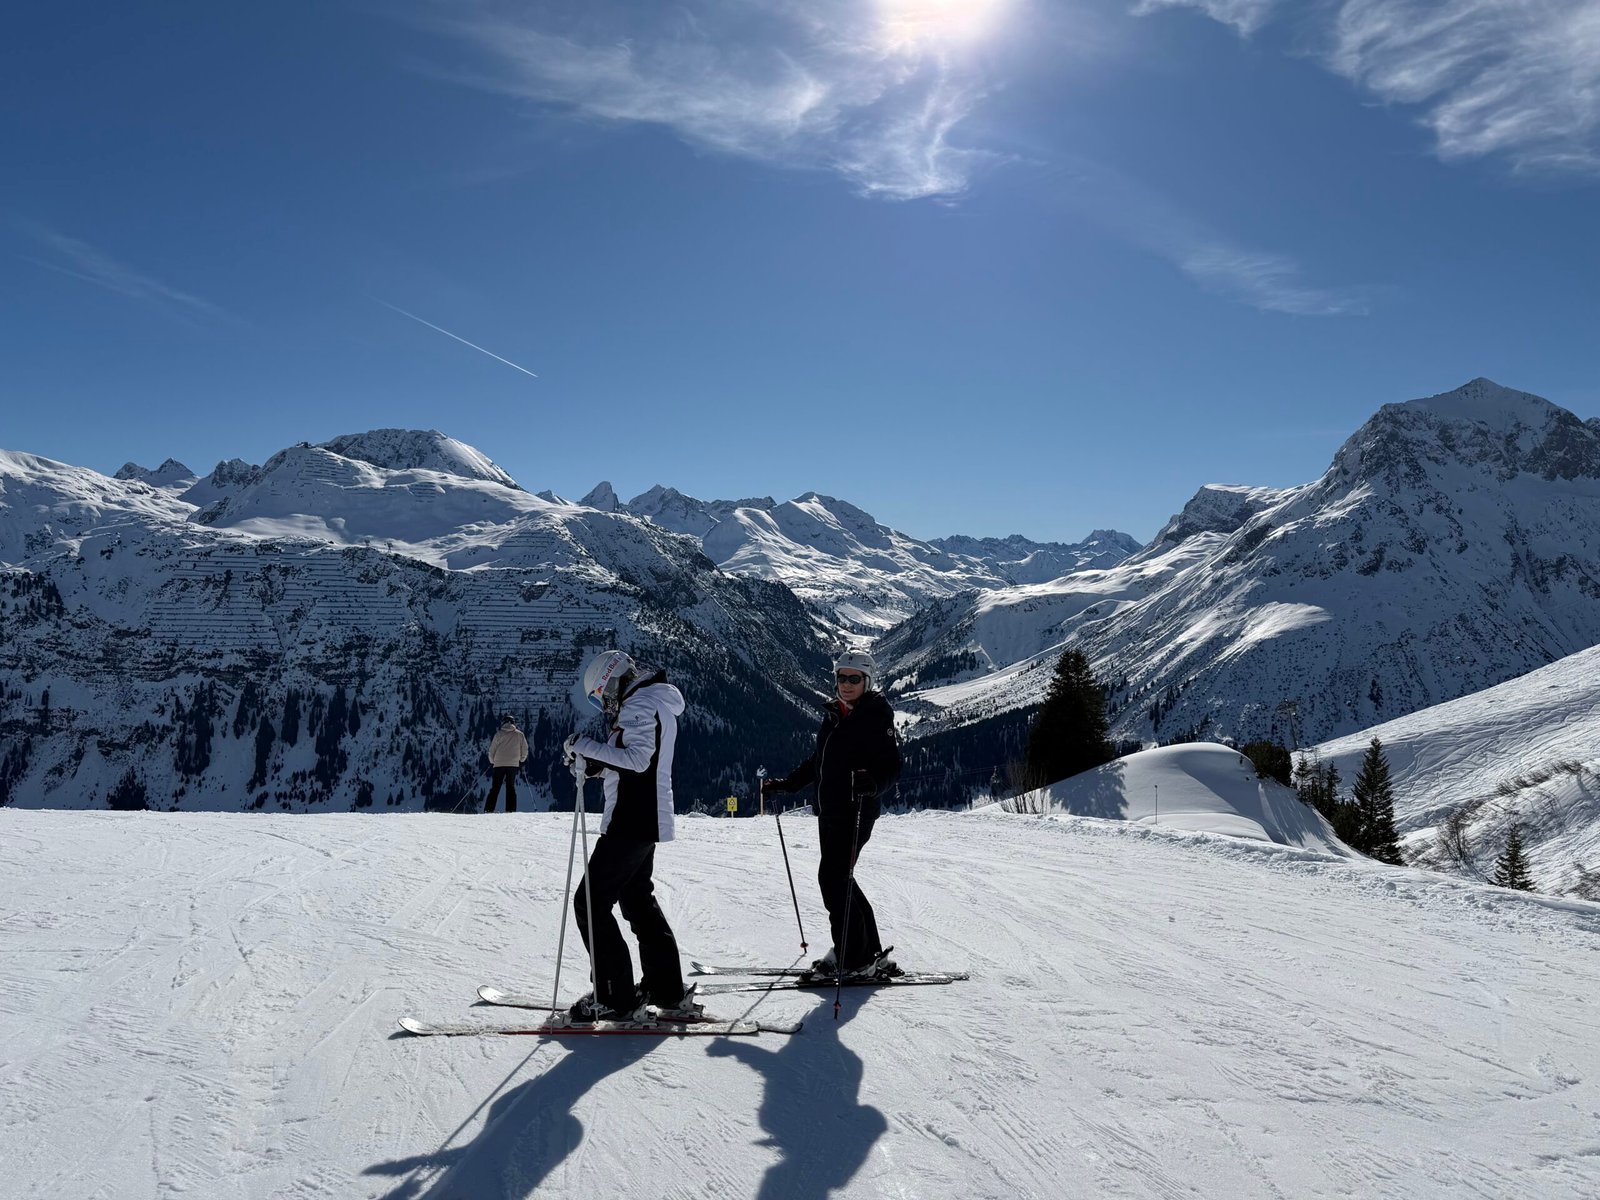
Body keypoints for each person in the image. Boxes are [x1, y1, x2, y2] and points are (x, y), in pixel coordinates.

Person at [560, 650, 697, 1023]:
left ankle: (615, 997)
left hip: (630, 820)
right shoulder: (649, 701)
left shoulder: (639, 705)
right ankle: (666, 988)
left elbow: (638, 761)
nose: (605, 705)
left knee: (590, 903)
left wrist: (583, 746)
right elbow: (633, 763)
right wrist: (597, 767)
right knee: (637, 900)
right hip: (643, 817)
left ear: (613, 681)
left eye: (602, 696)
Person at [761, 649, 902, 981]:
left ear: (867, 681)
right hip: (831, 812)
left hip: (855, 811)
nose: (846, 684)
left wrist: (874, 783)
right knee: (841, 879)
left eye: (854, 678)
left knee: (833, 880)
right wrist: (788, 785)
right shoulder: (837, 714)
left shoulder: (874, 715)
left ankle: (853, 959)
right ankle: (868, 952)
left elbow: (892, 765)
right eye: (842, 677)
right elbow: (820, 760)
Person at [483, 714, 527, 813]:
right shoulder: (520, 734)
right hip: (513, 764)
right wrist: (521, 760)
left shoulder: (498, 734)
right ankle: (510, 810)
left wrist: (493, 761)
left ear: (503, 723)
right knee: (511, 787)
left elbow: (492, 750)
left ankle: (489, 809)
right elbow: (525, 749)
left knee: (495, 788)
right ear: (513, 723)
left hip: (499, 764)